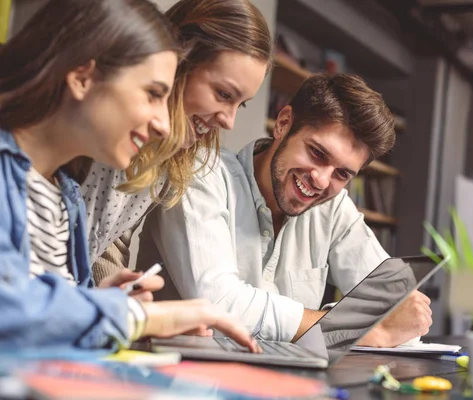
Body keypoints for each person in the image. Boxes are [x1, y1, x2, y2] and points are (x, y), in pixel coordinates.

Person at [0, 0, 258, 351]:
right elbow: (12, 310)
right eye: (153, 94)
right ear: (82, 76)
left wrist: (97, 302)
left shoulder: (65, 198)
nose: (164, 122)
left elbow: (40, 298)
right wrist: (137, 318)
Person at [138, 74, 433, 346]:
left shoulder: (335, 208)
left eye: (342, 174)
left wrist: (364, 327)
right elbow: (220, 304)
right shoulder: (200, 171)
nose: (321, 180)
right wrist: (361, 330)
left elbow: (403, 317)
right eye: (317, 153)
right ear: (283, 123)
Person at [79, 0, 271, 281]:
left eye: (240, 104)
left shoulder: (170, 155)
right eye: (224, 94)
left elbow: (104, 244)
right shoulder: (99, 130)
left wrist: (118, 295)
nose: (228, 121)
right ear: (180, 61)